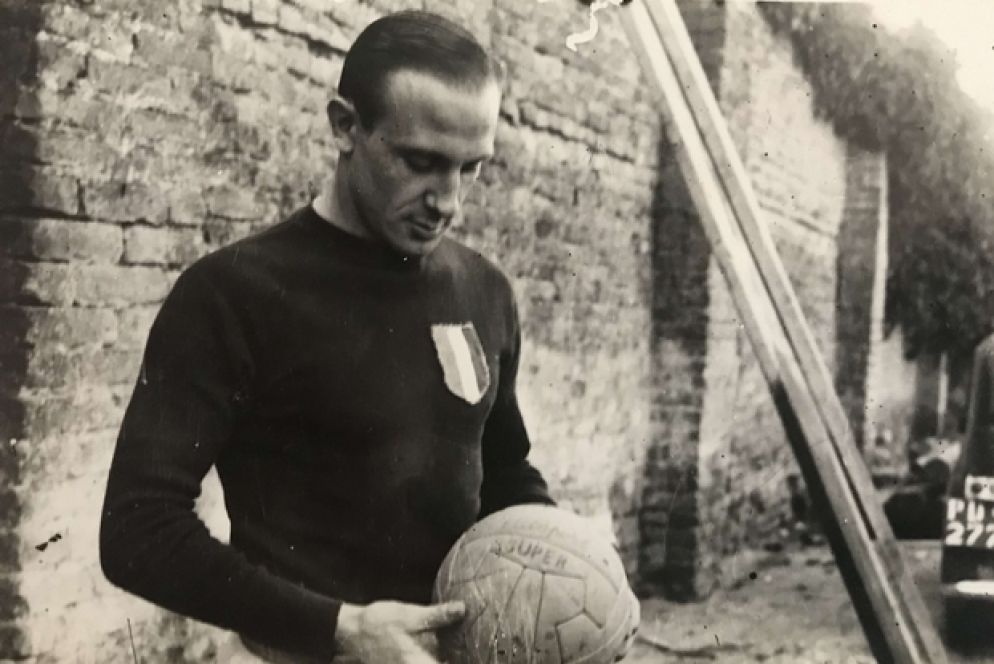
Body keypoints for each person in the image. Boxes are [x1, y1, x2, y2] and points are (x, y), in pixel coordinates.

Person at [99, 11, 555, 663]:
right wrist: (337, 627)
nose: (448, 200)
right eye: (420, 162)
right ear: (344, 124)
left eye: (471, 168)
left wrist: (570, 552)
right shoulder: (233, 293)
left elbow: (504, 470)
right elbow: (137, 529)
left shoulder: (484, 289)